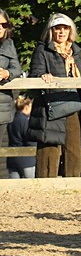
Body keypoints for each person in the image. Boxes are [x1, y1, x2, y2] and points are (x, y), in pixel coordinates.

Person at [28, 13, 81, 178]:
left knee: (73, 148)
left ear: (70, 31)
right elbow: (35, 74)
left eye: (65, 28)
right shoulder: (42, 50)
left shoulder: (75, 51)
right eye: (57, 28)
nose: (61, 32)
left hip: (71, 103)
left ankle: (73, 185)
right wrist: (43, 76)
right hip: (49, 106)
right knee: (48, 150)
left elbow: (80, 77)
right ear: (51, 31)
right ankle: (44, 188)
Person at [0, 8, 26, 151]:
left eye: (4, 25)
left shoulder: (9, 44)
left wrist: (7, 73)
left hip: (2, 104)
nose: (0, 28)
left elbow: (17, 69)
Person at [7, 96, 35, 179]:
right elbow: (30, 140)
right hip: (27, 160)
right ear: (26, 107)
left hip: (12, 158)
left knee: (14, 188)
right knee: (32, 187)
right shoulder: (26, 121)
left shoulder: (11, 120)